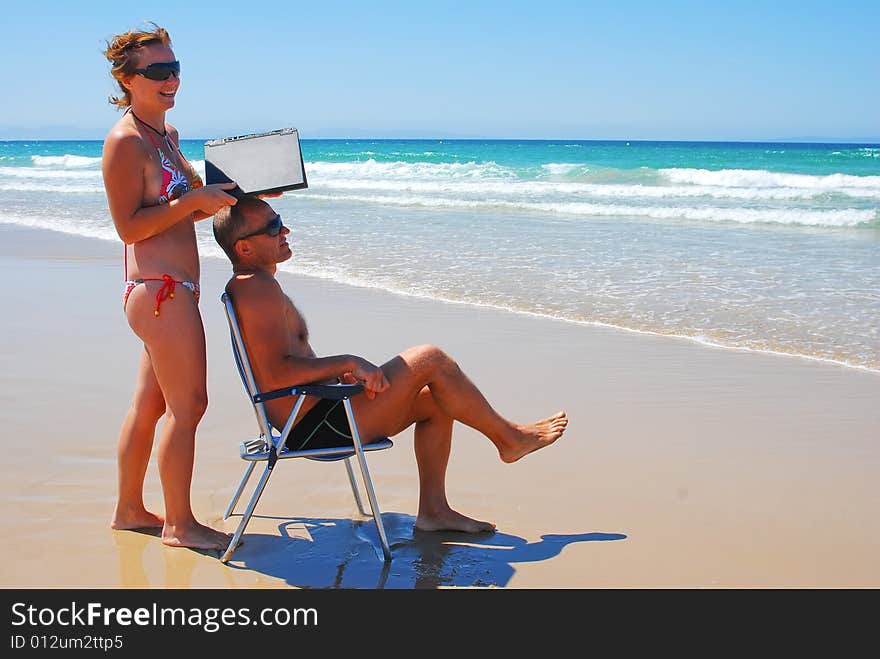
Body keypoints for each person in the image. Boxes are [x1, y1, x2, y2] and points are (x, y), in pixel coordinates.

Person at [212, 196, 569, 533]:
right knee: (431, 358)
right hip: (314, 426)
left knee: (437, 397)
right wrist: (349, 361)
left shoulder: (255, 285)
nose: (285, 231)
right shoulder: (256, 288)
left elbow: (279, 368)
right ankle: (509, 439)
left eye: (281, 222)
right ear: (244, 247)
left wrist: (336, 372)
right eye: (274, 227)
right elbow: (276, 374)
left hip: (317, 411)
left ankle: (434, 511)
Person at [101, 24, 239, 551]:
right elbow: (129, 227)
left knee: (151, 407)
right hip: (159, 291)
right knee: (191, 406)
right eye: (157, 71)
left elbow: (177, 218)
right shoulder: (125, 141)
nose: (170, 79)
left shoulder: (167, 137)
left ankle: (131, 510)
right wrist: (192, 202)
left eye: (174, 68)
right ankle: (179, 525)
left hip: (170, 289)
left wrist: (224, 199)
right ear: (126, 79)